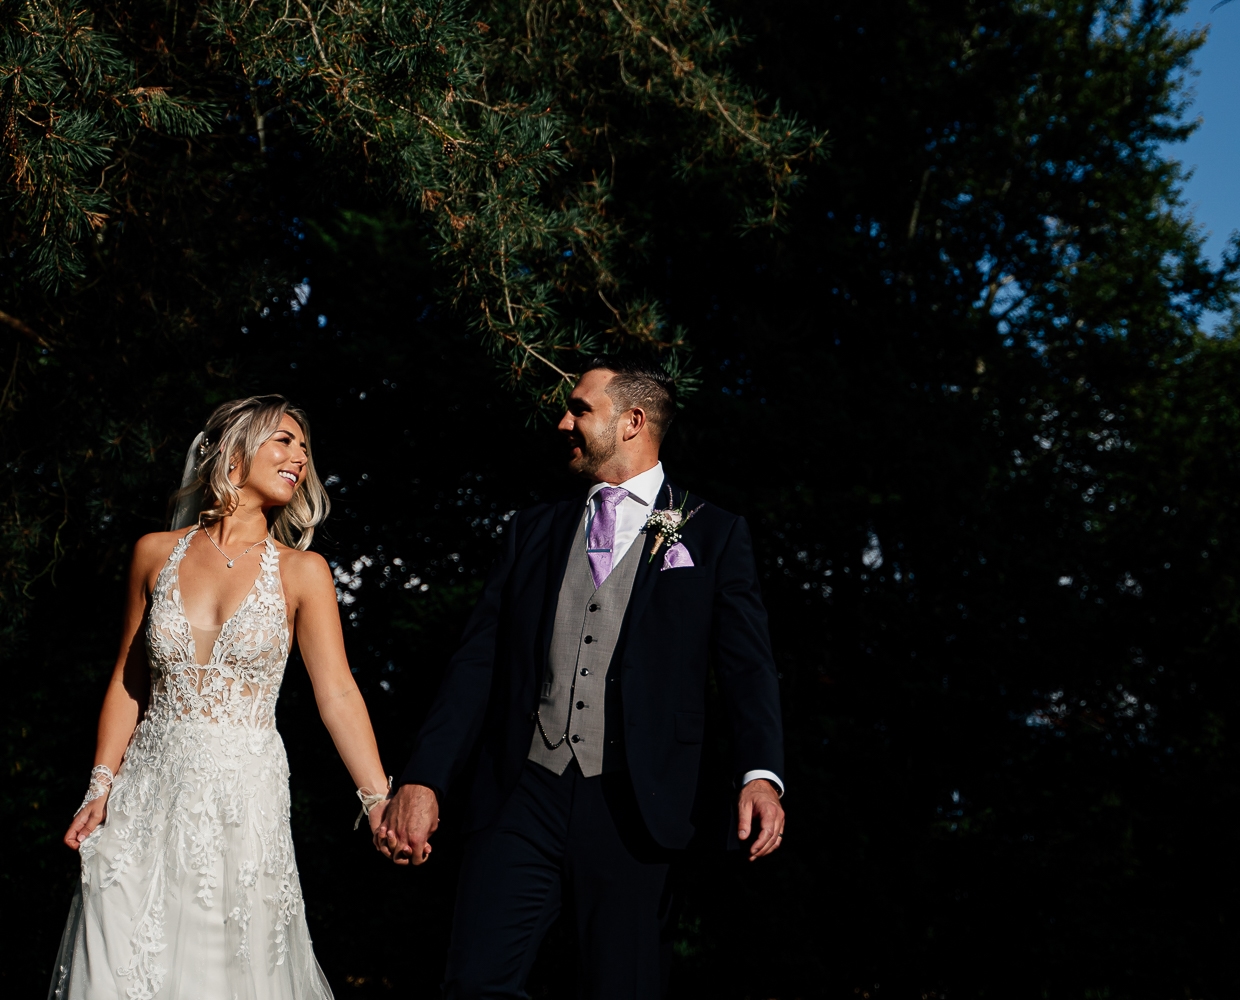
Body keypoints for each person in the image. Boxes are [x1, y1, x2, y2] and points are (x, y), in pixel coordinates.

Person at [377, 356, 786, 999]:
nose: (563, 420)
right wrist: (426, 777)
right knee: (475, 981)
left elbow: (746, 667)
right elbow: (476, 662)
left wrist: (760, 774)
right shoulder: (532, 530)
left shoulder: (715, 533)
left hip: (636, 800)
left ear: (632, 421)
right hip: (521, 790)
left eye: (580, 408)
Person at [50, 395, 392, 1000]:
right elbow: (130, 682)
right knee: (119, 970)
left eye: (305, 450)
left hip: (243, 803)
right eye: (284, 441)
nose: (300, 459)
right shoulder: (153, 553)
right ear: (235, 451)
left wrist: (377, 800)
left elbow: (337, 691)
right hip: (144, 797)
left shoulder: (302, 571)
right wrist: (98, 788)